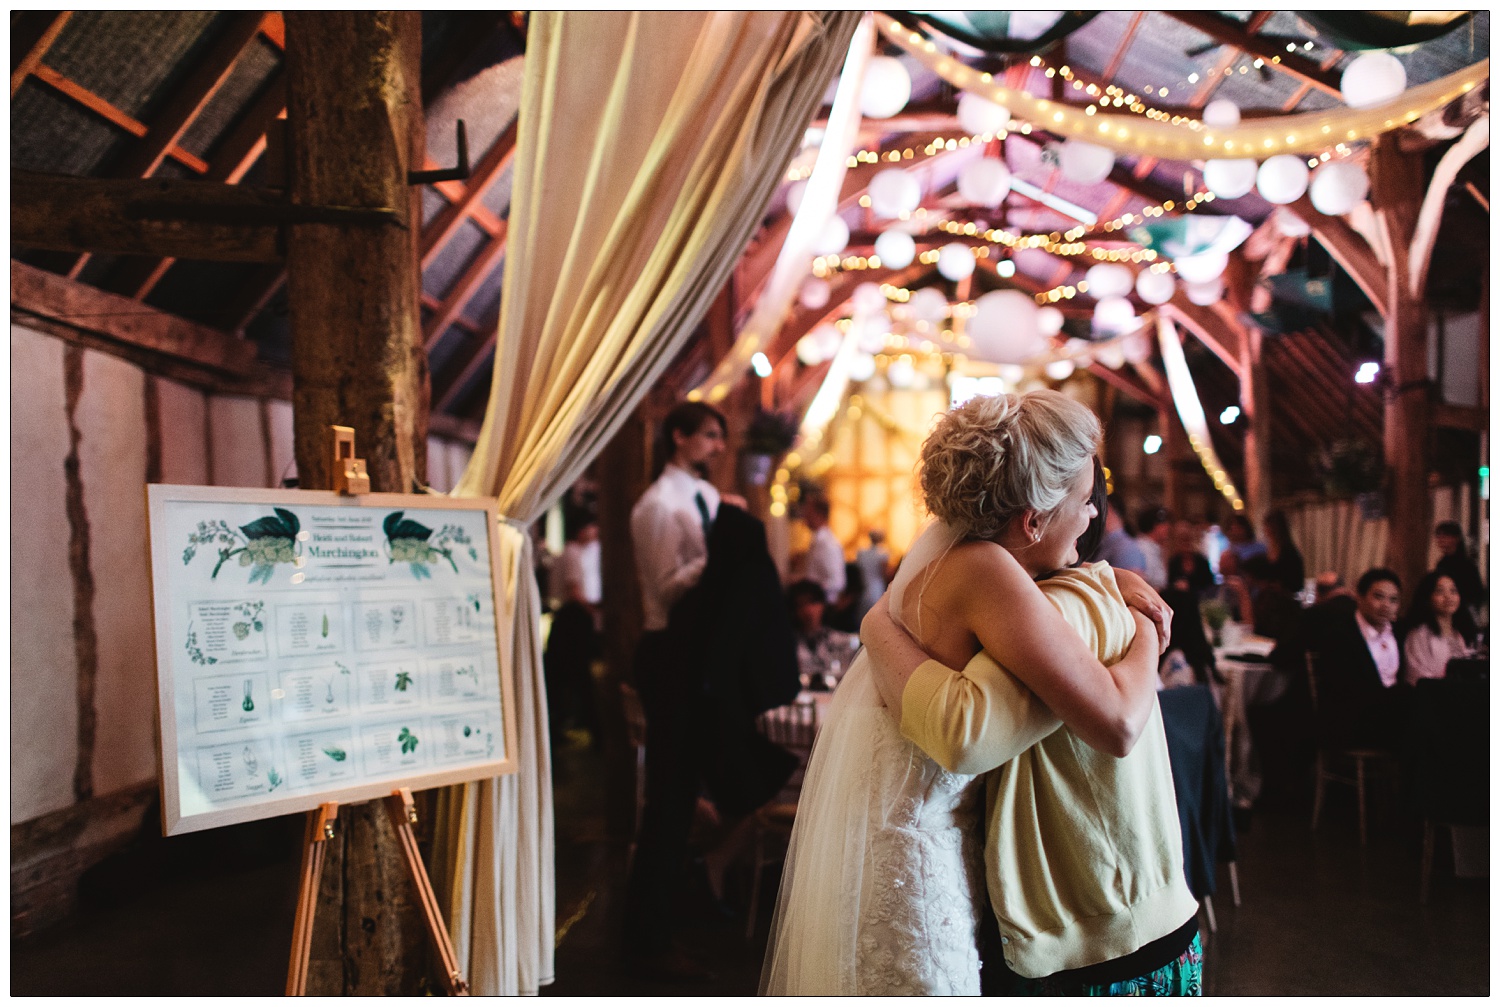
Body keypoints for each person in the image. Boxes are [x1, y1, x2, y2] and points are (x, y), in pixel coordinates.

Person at [761, 391, 1192, 996]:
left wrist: (1109, 579)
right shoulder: (987, 569)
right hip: (922, 852)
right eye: (1084, 500)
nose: (1094, 516)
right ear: (1033, 519)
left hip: (908, 836)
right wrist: (1146, 627)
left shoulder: (942, 560)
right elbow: (1108, 722)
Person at [621, 400, 730, 981]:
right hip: (667, 654)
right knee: (667, 795)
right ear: (679, 437)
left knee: (687, 786)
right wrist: (717, 556)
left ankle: (680, 897)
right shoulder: (659, 506)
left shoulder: (702, 497)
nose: (717, 447)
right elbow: (663, 593)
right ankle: (647, 927)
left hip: (697, 656)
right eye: (710, 436)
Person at [1305, 567, 1404, 750]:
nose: (1386, 605)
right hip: (1351, 723)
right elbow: (1344, 692)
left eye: (1393, 600)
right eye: (1378, 597)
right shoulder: (1340, 635)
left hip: (1392, 720)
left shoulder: (1400, 634)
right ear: (1359, 597)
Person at [543, 509, 602, 748]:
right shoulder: (574, 554)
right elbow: (574, 590)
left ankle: (562, 725)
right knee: (579, 675)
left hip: (564, 618)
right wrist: (592, 611)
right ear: (582, 530)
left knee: (558, 675)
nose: (595, 533)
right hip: (572, 618)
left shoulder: (565, 553)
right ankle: (593, 729)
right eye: (593, 527)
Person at [1401, 572, 1479, 684]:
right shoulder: (1419, 634)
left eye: (1453, 591)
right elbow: (1417, 677)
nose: (1448, 597)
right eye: (1440, 591)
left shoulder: (1458, 633)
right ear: (1428, 597)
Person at [786, 579, 859, 690]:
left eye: (813, 602)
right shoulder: (787, 645)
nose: (808, 610)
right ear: (794, 611)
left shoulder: (843, 640)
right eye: (801, 604)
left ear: (823, 605)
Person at [1432, 520, 1487, 619]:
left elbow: (1477, 593)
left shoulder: (1468, 565)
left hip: (1464, 613)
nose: (1440, 539)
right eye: (1438, 535)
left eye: (1445, 535)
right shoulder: (1441, 563)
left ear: (1456, 538)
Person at [799, 494, 846, 601]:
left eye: (807, 512)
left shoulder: (827, 543)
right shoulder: (817, 540)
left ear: (818, 515)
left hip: (824, 604)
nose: (804, 516)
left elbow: (837, 582)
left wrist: (813, 589)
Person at [1095, 494, 1147, 574]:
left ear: (1110, 511)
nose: (1095, 515)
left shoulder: (1126, 547)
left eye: (1100, 510)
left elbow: (1130, 582)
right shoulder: (1106, 543)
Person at [1168, 518, 1216, 598]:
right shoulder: (1174, 562)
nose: (1185, 544)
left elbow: (1210, 586)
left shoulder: (1202, 561)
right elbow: (1169, 584)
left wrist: (1191, 587)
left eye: (1187, 540)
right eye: (1182, 540)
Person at [1262, 510, 1305, 596]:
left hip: (1286, 600)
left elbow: (1297, 583)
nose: (1265, 530)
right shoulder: (1267, 550)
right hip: (1270, 598)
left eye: (1268, 526)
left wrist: (1281, 587)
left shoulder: (1289, 552)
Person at [854, 529, 891, 621]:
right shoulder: (883, 553)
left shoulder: (862, 552)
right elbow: (885, 574)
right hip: (876, 587)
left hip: (863, 587)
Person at [1136, 505, 1172, 591]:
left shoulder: (1156, 547)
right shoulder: (1142, 547)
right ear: (1152, 526)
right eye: (1162, 524)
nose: (1167, 527)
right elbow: (1144, 583)